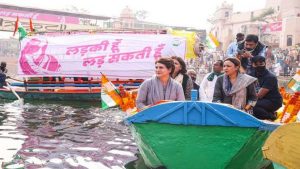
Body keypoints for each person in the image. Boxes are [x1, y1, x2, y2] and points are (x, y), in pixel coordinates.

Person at [251, 56, 283, 120]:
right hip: (261, 100)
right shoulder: (252, 74)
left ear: (265, 63)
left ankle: (271, 116)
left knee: (252, 105)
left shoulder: (270, 77)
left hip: (273, 101)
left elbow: (259, 95)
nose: (259, 66)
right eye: (256, 64)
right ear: (252, 64)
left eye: (261, 64)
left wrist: (248, 101)